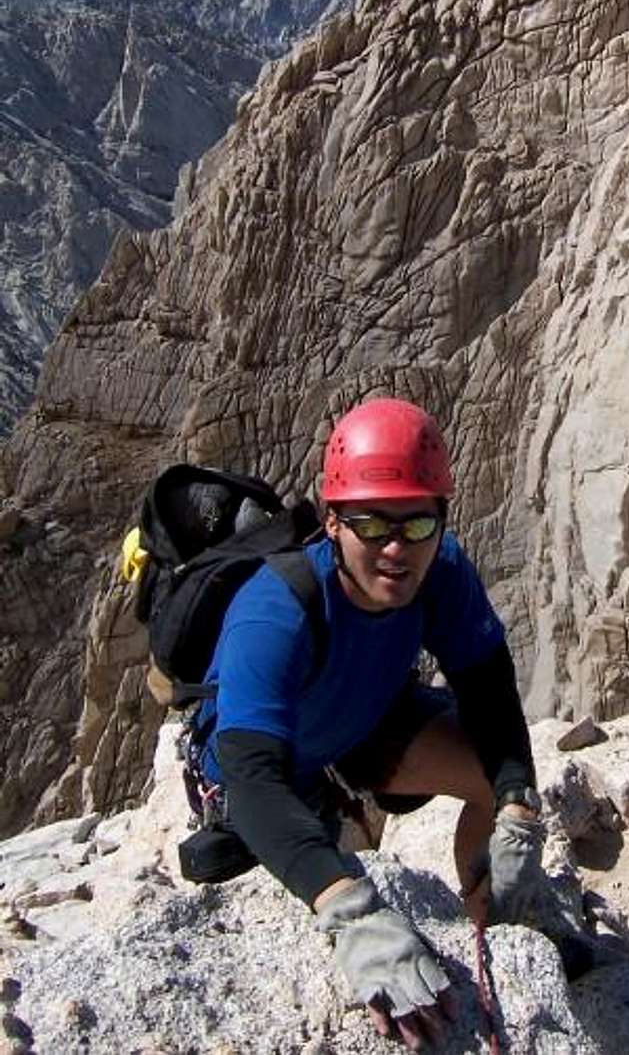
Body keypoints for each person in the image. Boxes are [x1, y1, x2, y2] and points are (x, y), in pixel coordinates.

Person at [196, 397, 546, 1051]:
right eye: (369, 524)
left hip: (363, 726)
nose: (395, 548)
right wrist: (350, 910)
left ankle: (502, 920)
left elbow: (490, 693)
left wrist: (520, 808)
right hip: (270, 774)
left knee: (492, 781)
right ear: (332, 523)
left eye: (416, 525)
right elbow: (250, 779)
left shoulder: (441, 571)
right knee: (300, 855)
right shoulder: (275, 611)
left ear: (441, 520)